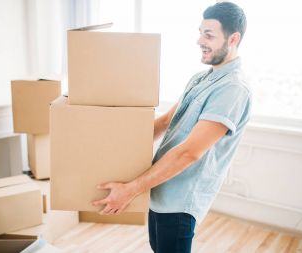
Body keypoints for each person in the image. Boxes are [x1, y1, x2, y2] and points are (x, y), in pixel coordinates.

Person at [92, 2, 251, 252]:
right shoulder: (201, 78)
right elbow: (166, 121)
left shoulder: (232, 88)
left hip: (180, 201)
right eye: (200, 32)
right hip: (160, 190)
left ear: (233, 38)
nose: (199, 40)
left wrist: (130, 190)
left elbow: (190, 152)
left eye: (208, 35)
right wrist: (117, 144)